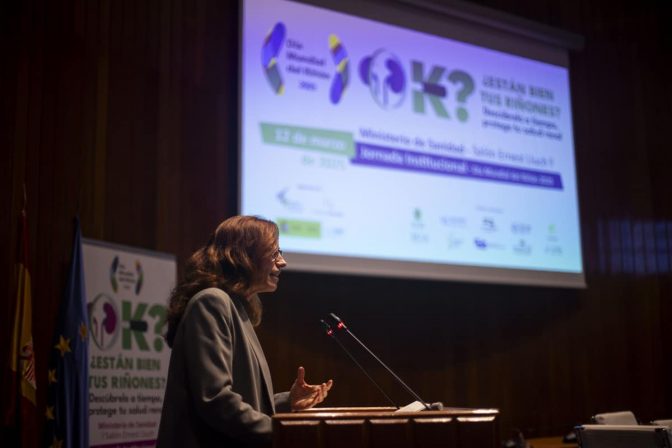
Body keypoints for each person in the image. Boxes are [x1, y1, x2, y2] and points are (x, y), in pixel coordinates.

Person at [157, 215, 333, 447]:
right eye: (274, 253)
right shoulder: (212, 302)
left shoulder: (238, 308)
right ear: (244, 255)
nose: (283, 262)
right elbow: (214, 399)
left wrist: (287, 401)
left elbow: (240, 397)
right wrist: (285, 432)